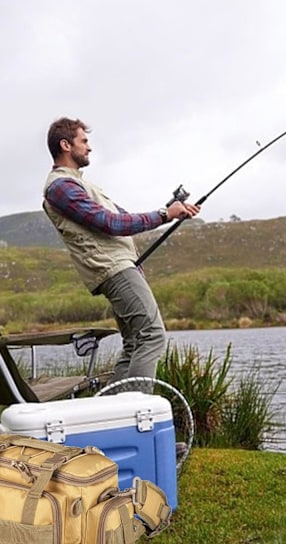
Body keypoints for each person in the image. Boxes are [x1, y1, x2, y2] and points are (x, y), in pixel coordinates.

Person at [42, 117, 200, 384]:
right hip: (113, 270)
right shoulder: (61, 187)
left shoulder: (78, 184)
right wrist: (164, 214)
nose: (89, 147)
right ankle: (138, 412)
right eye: (84, 141)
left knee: (135, 342)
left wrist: (173, 211)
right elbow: (111, 223)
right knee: (151, 335)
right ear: (66, 145)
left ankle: (119, 410)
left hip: (119, 268)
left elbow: (121, 216)